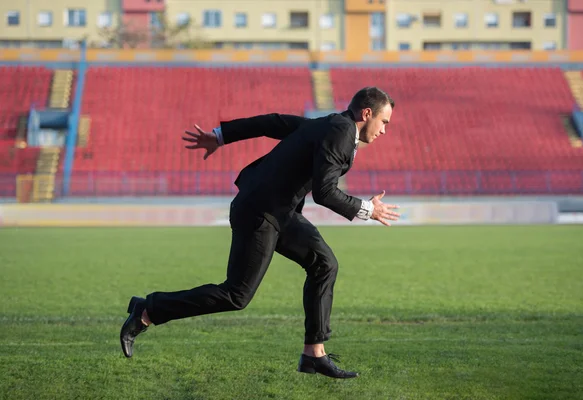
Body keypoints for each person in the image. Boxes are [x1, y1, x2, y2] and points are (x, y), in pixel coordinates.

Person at [120, 86, 400, 379]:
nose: (384, 130)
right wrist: (367, 209)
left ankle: (313, 354)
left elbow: (273, 123)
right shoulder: (340, 131)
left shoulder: (326, 124)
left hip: (280, 211)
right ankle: (148, 310)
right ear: (367, 114)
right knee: (236, 295)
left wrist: (219, 136)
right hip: (260, 211)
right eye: (384, 122)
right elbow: (325, 192)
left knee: (324, 264)